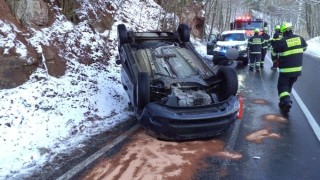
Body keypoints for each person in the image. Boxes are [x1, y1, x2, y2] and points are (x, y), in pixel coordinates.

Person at [273, 22, 307, 114]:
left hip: (286, 70)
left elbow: (274, 51)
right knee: (288, 86)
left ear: (283, 32)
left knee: (282, 85)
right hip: (297, 70)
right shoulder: (300, 39)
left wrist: (275, 60)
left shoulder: (282, 41)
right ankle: (283, 102)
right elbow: (304, 48)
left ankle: (287, 101)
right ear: (291, 29)